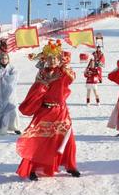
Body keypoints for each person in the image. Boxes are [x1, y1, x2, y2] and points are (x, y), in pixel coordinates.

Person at [16, 44, 80, 180]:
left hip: (60, 111)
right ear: (45, 59)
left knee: (68, 140)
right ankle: (31, 169)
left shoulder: (63, 72)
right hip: (44, 111)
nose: (52, 60)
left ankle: (70, 166)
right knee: (37, 139)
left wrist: (66, 65)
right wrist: (44, 83)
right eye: (50, 58)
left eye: (55, 58)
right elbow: (36, 91)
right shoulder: (42, 74)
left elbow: (71, 78)